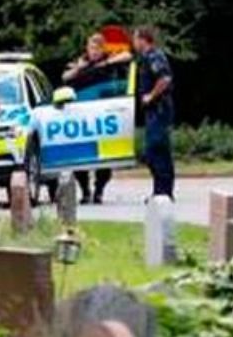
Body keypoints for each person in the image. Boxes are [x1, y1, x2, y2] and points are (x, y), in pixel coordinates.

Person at [62, 33, 131, 204]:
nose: (93, 52)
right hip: (82, 116)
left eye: (96, 48)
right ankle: (85, 190)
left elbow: (128, 55)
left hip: (104, 116)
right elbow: (65, 77)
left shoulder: (109, 60)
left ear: (103, 49)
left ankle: (99, 190)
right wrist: (79, 68)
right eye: (90, 48)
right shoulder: (81, 62)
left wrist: (106, 63)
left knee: (104, 158)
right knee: (80, 157)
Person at [132, 25, 175, 198]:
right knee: (156, 152)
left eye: (135, 39)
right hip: (153, 112)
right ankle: (160, 191)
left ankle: (164, 191)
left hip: (159, 110)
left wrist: (150, 96)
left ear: (143, 39)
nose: (133, 43)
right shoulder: (144, 58)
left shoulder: (154, 56)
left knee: (155, 151)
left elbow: (164, 79)